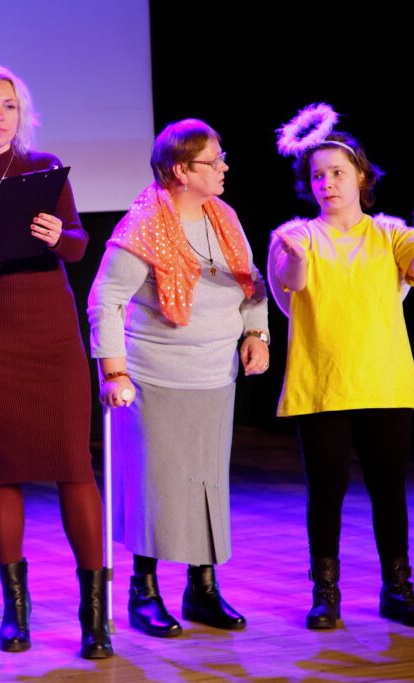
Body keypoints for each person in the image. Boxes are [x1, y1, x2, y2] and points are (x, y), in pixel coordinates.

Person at [270, 104, 414, 630]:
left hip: (384, 383)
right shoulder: (296, 236)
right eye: (317, 175)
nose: (327, 183)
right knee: (326, 494)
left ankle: (398, 588)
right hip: (322, 385)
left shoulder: (389, 233)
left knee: (390, 492)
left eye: (337, 172)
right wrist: (293, 257)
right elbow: (293, 285)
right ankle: (326, 593)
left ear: (361, 177)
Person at [0, 65, 112, 659]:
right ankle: (16, 609)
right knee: (4, 469)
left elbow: (79, 246)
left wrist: (58, 234)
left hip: (51, 330)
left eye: (8, 105)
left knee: (74, 465)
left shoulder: (44, 168)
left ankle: (94, 615)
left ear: (21, 112)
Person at [88, 119, 269, 638]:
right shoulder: (144, 226)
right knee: (156, 487)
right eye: (214, 160)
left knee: (207, 484)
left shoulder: (224, 216)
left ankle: (202, 588)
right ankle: (143, 591)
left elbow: (251, 282)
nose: (225, 167)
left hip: (216, 374)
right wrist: (113, 371)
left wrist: (256, 332)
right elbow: (105, 300)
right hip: (155, 378)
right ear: (181, 170)